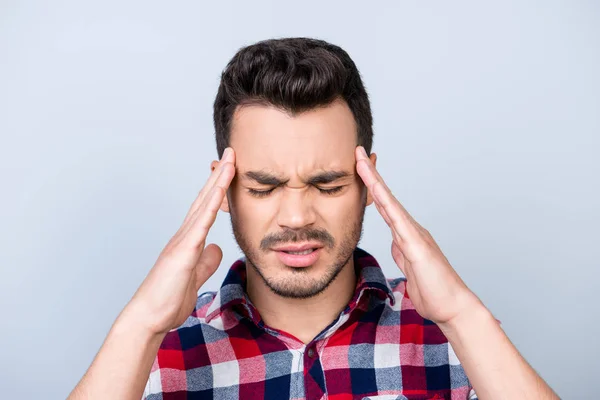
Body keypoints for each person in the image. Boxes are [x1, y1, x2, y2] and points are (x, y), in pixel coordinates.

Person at [68, 37, 559, 400]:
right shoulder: (151, 357)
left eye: (329, 185)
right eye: (263, 187)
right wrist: (139, 326)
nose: (297, 216)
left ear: (369, 183)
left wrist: (462, 315)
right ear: (221, 190)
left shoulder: (455, 341)